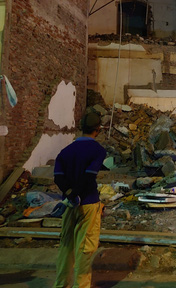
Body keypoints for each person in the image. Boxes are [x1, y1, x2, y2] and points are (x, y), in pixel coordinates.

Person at [53, 110, 106, 288]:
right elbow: (89, 176)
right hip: (88, 203)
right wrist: (76, 194)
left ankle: (61, 284)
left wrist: (69, 194)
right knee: (85, 248)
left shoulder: (65, 151)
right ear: (97, 129)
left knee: (66, 245)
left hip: (69, 205)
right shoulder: (98, 150)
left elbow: (58, 177)